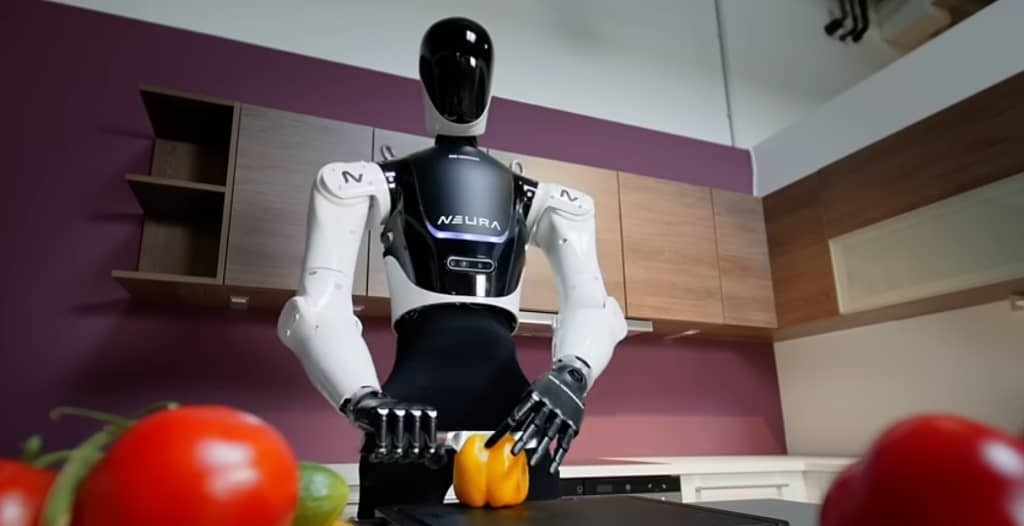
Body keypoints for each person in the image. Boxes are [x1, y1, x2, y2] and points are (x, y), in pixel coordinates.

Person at [277, 16, 627, 520]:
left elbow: (595, 306)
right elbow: (316, 309)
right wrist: (362, 399)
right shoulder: (366, 183)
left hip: (509, 418)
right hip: (408, 424)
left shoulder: (543, 200)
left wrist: (572, 375)